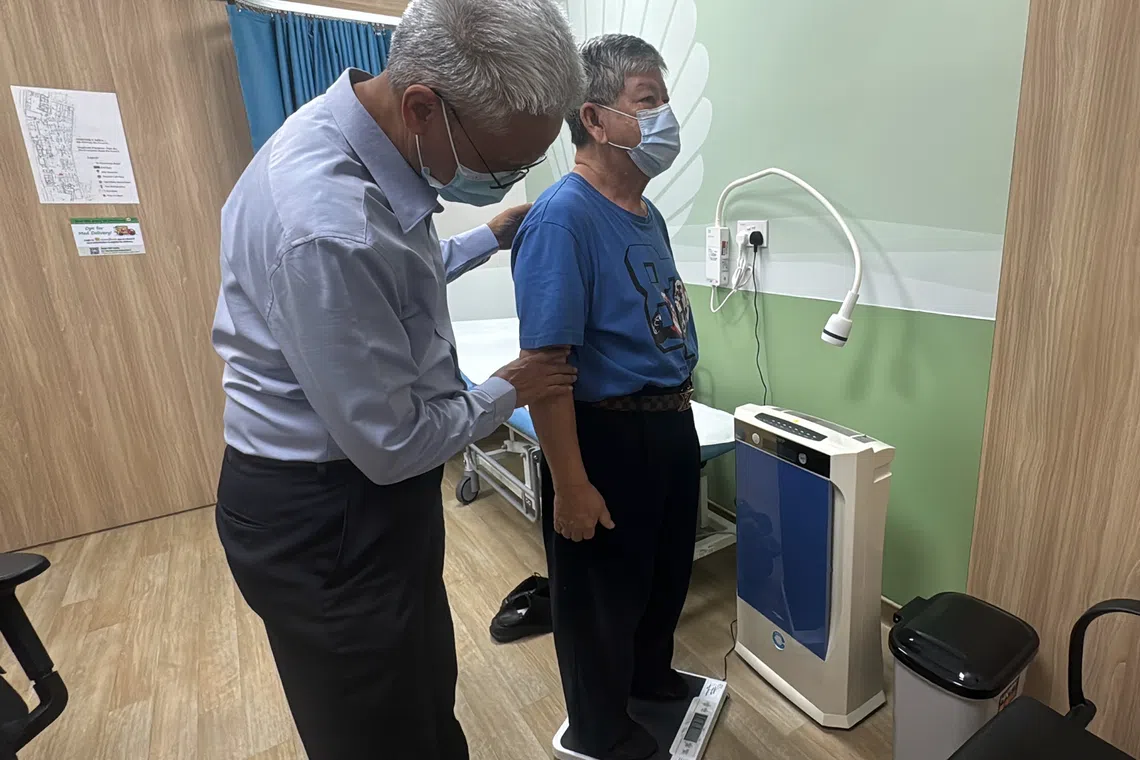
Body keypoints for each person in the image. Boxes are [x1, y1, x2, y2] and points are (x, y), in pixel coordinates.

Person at [209, 1, 584, 757]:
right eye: (502, 162)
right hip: (328, 513)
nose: (504, 178)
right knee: (379, 730)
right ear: (422, 107)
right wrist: (515, 383)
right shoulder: (326, 222)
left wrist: (486, 235)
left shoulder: (360, 138)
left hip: (362, 492)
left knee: (418, 690)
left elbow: (388, 286)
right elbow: (394, 442)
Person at [511, 34, 700, 760]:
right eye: (647, 102)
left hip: (668, 422)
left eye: (663, 100)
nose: (664, 117)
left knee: (662, 578)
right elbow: (548, 368)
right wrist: (572, 484)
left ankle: (650, 681)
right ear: (595, 119)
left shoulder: (643, 214)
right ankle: (599, 729)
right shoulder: (564, 217)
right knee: (598, 603)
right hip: (602, 434)